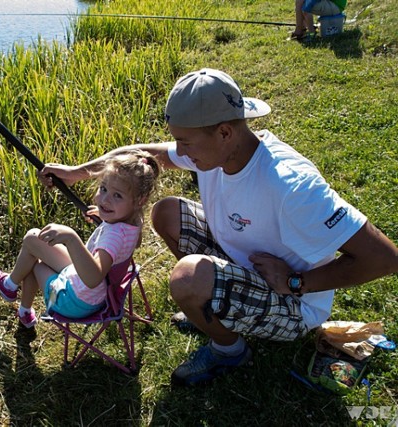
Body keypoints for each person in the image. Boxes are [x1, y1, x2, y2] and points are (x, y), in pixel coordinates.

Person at [38, 68, 398, 386]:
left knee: (187, 277)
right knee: (166, 212)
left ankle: (230, 349)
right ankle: (213, 307)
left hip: (293, 302)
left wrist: (297, 282)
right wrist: (77, 172)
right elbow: (144, 155)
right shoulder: (216, 149)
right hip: (246, 262)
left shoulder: (292, 187)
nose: (177, 151)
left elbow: (384, 258)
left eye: (185, 142)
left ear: (225, 132)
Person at [0, 150, 160, 328]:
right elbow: (129, 240)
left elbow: (93, 278)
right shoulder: (134, 221)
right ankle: (18, 302)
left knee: (34, 260)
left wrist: (71, 237)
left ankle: (13, 291)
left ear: (139, 200)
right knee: (34, 240)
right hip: (98, 291)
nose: (106, 200)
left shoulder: (113, 236)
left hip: (75, 301)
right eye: (104, 189)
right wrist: (104, 215)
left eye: (117, 196)